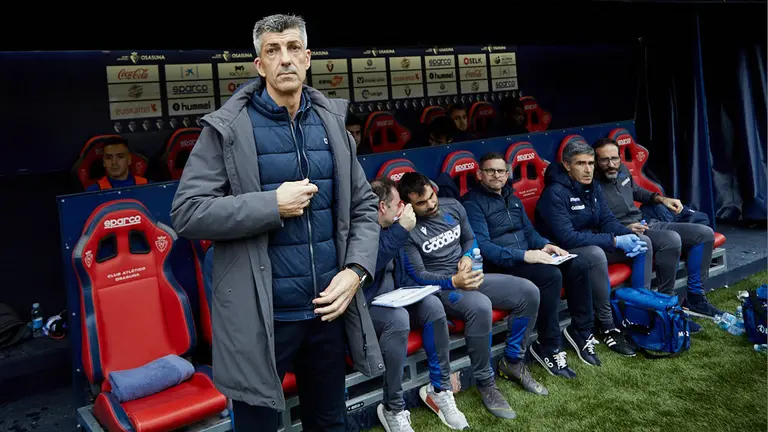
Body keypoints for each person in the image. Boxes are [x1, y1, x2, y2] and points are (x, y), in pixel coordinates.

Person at [170, 14, 383, 432]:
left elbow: (363, 206)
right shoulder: (229, 129)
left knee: (329, 422)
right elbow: (187, 212)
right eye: (272, 50)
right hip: (262, 317)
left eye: (291, 49)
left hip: (326, 310)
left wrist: (356, 271)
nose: (283, 59)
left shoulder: (331, 123)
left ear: (307, 59)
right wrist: (271, 205)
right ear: (259, 64)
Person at [397, 171, 543, 421]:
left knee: (528, 291)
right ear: (409, 204)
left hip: (469, 277)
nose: (430, 205)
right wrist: (452, 280)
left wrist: (467, 256)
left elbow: (470, 238)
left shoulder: (452, 206)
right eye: (421, 203)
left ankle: (513, 362)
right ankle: (486, 383)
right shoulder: (406, 230)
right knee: (481, 305)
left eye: (431, 197)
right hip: (441, 290)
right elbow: (417, 276)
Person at [462, 152, 600, 379]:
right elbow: (483, 248)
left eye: (501, 171)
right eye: (490, 171)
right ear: (479, 174)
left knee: (578, 265)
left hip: (527, 256)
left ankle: (582, 332)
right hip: (500, 265)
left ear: (508, 175)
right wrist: (525, 255)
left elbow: (529, 232)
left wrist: (546, 246)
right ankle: (548, 346)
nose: (496, 175)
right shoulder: (472, 203)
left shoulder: (512, 198)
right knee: (550, 275)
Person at [368, 178, 469, 432]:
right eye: (398, 203)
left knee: (433, 306)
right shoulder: (361, 228)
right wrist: (401, 230)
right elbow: (370, 266)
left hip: (397, 297)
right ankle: (393, 406)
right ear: (382, 207)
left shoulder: (396, 226)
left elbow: (407, 272)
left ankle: (440, 389)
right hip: (367, 307)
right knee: (399, 319)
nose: (404, 207)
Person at [534, 139, 648, 356]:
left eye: (591, 163)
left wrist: (625, 234)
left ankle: (639, 310)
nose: (588, 169)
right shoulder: (554, 193)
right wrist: (614, 241)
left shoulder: (592, 186)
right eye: (580, 164)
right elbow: (567, 238)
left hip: (590, 241)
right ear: (567, 166)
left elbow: (607, 220)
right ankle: (606, 326)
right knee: (596, 255)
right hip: (563, 252)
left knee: (644, 242)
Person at [593, 137, 721, 319]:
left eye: (615, 158)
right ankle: (663, 304)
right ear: (596, 162)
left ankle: (695, 298)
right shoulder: (591, 185)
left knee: (704, 234)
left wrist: (662, 199)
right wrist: (625, 228)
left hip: (646, 222)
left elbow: (637, 191)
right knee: (671, 239)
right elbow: (593, 221)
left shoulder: (621, 170)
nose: (611, 164)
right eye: (604, 160)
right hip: (626, 233)